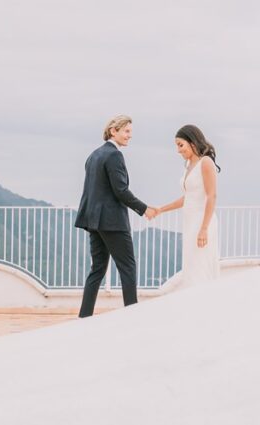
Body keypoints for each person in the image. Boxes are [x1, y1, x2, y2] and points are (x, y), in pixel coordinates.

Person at [75, 114, 158, 317]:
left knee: (97, 270)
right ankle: (132, 316)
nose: (130, 136)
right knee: (128, 267)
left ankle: (84, 317)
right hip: (112, 222)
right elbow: (120, 190)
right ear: (114, 131)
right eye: (126, 131)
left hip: (93, 221)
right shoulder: (114, 155)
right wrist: (144, 208)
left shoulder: (93, 155)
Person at [155, 124, 221, 288]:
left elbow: (211, 196)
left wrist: (204, 228)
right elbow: (188, 197)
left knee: (200, 266)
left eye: (180, 145)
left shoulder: (205, 163)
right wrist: (161, 209)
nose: (178, 150)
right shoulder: (188, 165)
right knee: (191, 266)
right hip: (190, 223)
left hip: (202, 222)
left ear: (192, 142)